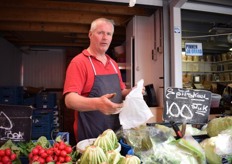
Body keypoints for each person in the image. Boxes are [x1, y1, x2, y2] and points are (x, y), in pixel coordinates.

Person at [63, 18, 131, 142]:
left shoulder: (113, 64)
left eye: (109, 34)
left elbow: (121, 90)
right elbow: (69, 100)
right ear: (90, 34)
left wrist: (132, 92)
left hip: (115, 132)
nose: (105, 37)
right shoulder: (79, 62)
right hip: (90, 135)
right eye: (100, 33)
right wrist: (97, 104)